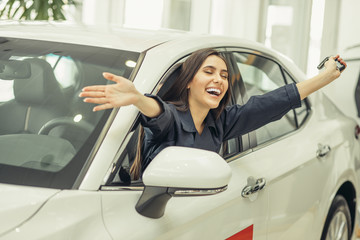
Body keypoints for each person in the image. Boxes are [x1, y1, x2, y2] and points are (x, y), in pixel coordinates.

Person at [79, 48, 347, 180]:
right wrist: (138, 99)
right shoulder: (171, 119)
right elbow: (159, 113)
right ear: (188, 81)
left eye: (224, 75)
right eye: (208, 72)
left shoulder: (221, 123)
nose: (219, 80)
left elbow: (266, 105)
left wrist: (323, 78)